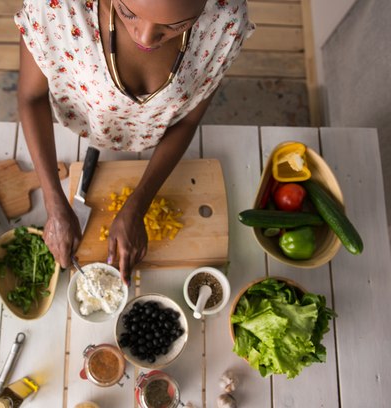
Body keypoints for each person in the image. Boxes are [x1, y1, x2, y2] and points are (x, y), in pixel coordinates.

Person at [15, 0, 252, 284]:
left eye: (175, 25)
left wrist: (138, 204)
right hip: (77, 132)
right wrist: (53, 203)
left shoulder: (226, 17)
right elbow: (31, 98)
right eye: (128, 13)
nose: (145, 37)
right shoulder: (54, 7)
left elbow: (188, 120)